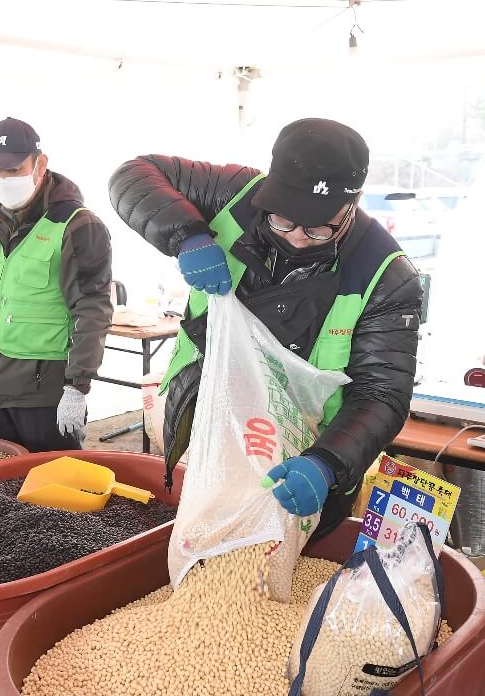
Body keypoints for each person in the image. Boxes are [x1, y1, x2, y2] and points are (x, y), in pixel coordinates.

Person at [109, 118, 423, 537]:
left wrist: (327, 463)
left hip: (303, 448)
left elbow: (382, 393)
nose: (296, 238)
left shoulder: (384, 274)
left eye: (317, 227)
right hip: (212, 418)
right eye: (283, 221)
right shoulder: (234, 194)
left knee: (287, 558)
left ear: (354, 201)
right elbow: (133, 175)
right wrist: (185, 234)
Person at [0, 117, 113, 451]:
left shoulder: (77, 225)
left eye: (12, 169)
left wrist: (77, 388)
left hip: (44, 398)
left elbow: (92, 308)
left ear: (40, 164)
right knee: (0, 493)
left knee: (53, 494)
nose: (1, 179)